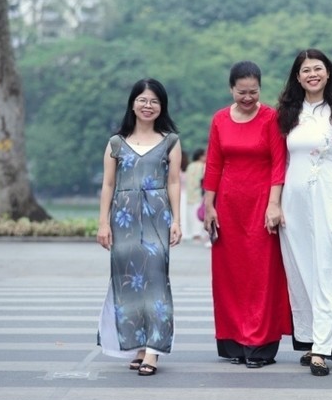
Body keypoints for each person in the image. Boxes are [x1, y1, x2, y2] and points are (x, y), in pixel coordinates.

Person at [202, 61, 292, 368]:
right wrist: (209, 205)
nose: (248, 97)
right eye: (242, 92)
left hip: (261, 204)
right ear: (231, 89)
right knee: (230, 276)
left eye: (253, 91)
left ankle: (261, 345)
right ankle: (234, 342)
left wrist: (274, 204)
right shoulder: (219, 120)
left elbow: (279, 164)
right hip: (228, 206)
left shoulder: (270, 118)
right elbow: (213, 164)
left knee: (261, 274)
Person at [277, 48, 332, 377]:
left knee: (325, 270)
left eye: (318, 68)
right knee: (299, 271)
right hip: (292, 203)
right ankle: (310, 340)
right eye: (306, 70)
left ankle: (323, 348)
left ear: (328, 73)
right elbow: (279, 162)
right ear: (297, 77)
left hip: (326, 197)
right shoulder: (286, 114)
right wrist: (274, 204)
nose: (312, 74)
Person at [96, 78, 182, 376]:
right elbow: (108, 185)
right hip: (124, 219)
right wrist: (103, 223)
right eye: (143, 100)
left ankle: (154, 351)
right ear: (133, 103)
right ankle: (138, 347)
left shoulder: (170, 140)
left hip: (157, 216)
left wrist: (177, 221)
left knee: (156, 280)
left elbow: (174, 182)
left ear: (162, 106)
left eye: (154, 101)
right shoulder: (116, 143)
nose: (148, 106)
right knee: (128, 282)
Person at [185, 148, 206, 243]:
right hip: (199, 193)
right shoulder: (203, 166)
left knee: (190, 213)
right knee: (199, 213)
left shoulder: (190, 166)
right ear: (200, 156)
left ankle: (192, 232)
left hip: (189, 192)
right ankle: (197, 234)